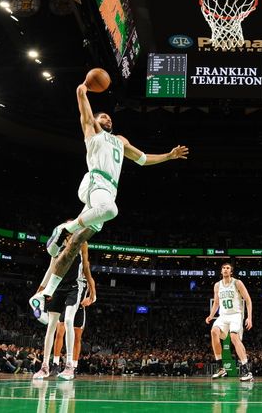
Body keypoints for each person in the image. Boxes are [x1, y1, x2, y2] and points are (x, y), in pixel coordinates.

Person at [29, 82, 188, 320]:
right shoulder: (92, 131)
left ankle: (43, 294)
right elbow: (84, 108)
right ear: (95, 120)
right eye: (103, 116)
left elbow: (143, 159)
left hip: (108, 189)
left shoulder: (120, 140)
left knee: (74, 246)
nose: (108, 119)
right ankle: (65, 228)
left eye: (110, 117)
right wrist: (81, 90)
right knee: (109, 210)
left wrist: (169, 156)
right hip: (94, 183)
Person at [32, 232, 94, 380]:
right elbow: (50, 269)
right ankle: (45, 367)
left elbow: (86, 267)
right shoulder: (57, 247)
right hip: (57, 286)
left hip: (75, 286)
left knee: (68, 321)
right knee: (51, 326)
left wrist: (93, 294)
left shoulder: (82, 244)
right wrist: (40, 289)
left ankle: (70, 367)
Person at [205, 263, 254, 382]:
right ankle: (221, 368)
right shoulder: (217, 285)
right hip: (223, 316)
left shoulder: (237, 283)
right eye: (223, 268)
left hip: (236, 314)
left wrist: (249, 317)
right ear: (221, 271)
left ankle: (246, 371)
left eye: (228, 268)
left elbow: (248, 300)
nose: (225, 270)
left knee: (233, 337)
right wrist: (211, 316)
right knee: (214, 332)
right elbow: (216, 302)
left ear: (231, 271)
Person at [51, 256, 96, 375]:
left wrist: (90, 300)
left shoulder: (89, 280)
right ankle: (55, 364)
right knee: (59, 334)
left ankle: (74, 366)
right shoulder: (71, 276)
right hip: (67, 307)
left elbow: (93, 297)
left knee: (77, 338)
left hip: (80, 310)